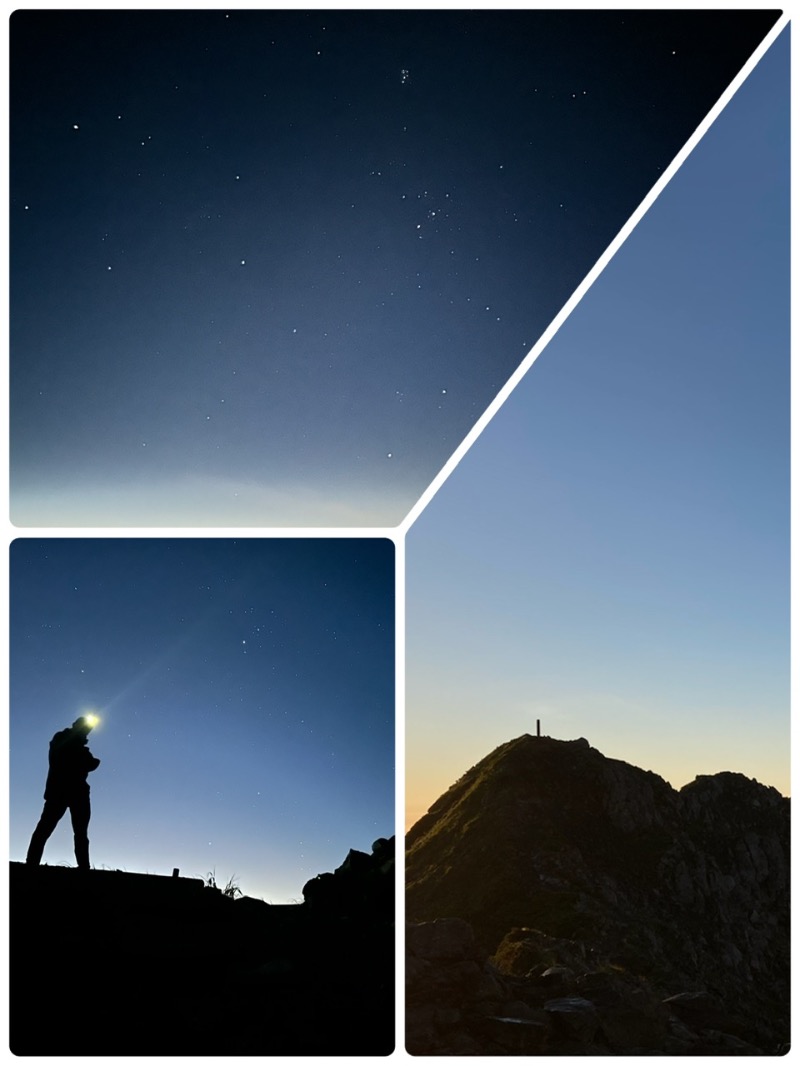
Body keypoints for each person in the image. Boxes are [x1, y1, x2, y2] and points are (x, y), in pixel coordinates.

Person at [26, 716, 101, 870]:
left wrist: (87, 761)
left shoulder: (78, 747)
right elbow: (85, 762)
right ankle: (31, 864)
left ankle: (84, 867)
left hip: (76, 793)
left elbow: (91, 763)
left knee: (80, 832)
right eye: (85, 728)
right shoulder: (62, 739)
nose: (87, 732)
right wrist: (85, 761)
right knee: (45, 829)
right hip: (60, 791)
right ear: (77, 726)